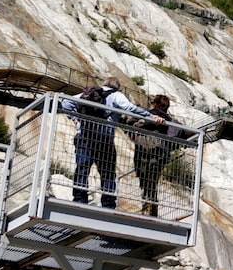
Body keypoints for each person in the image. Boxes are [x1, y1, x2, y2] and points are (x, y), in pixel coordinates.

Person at [69, 77, 161, 208]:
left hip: (84, 135)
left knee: (82, 168)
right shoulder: (116, 95)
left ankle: (79, 199)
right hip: (104, 139)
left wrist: (76, 119)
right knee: (107, 172)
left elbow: (67, 103)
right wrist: (149, 116)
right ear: (117, 87)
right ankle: (108, 203)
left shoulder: (88, 93)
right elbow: (128, 107)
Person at [131, 94, 188, 217]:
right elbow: (180, 136)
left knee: (145, 183)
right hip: (160, 156)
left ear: (155, 104)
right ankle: (151, 209)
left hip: (144, 154)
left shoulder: (148, 115)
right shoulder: (171, 122)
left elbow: (133, 125)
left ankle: (148, 209)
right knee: (152, 183)